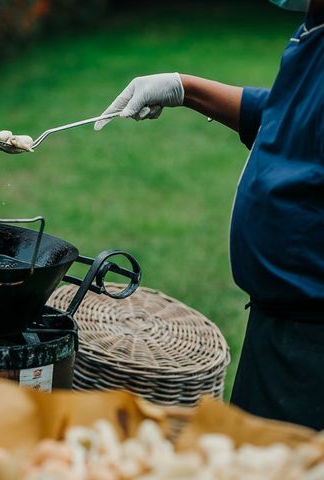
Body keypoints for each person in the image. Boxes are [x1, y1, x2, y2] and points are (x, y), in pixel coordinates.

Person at [94, 0, 324, 430]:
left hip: (311, 341)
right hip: (277, 324)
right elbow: (287, 116)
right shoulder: (316, 27)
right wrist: (184, 88)